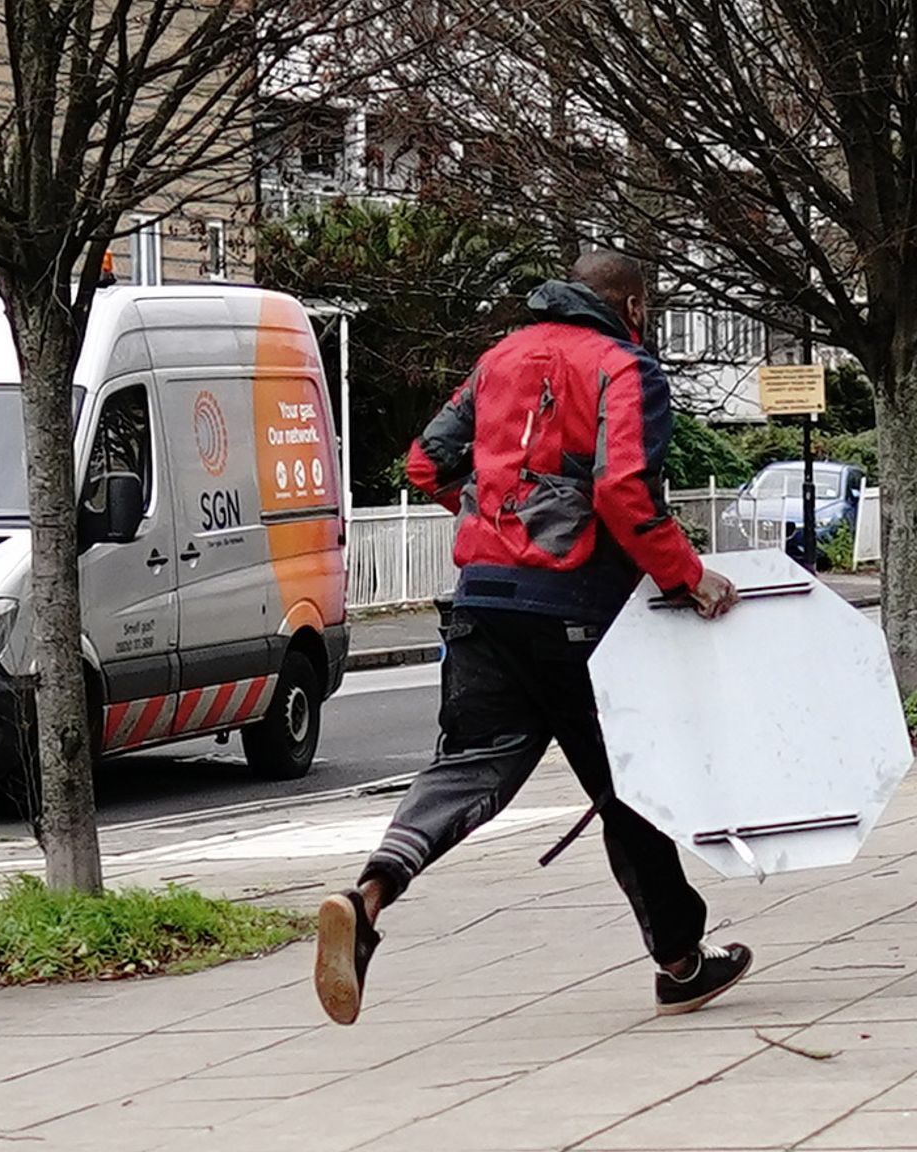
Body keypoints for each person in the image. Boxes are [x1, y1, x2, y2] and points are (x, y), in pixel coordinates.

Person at [313, 252, 746, 1027]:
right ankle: (681, 962)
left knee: (471, 765)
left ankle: (368, 894)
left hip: (484, 601)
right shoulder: (626, 367)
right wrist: (687, 575)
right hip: (576, 613)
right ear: (635, 306)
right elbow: (623, 492)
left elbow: (425, 463)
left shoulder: (497, 360)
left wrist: (497, 522)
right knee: (628, 788)